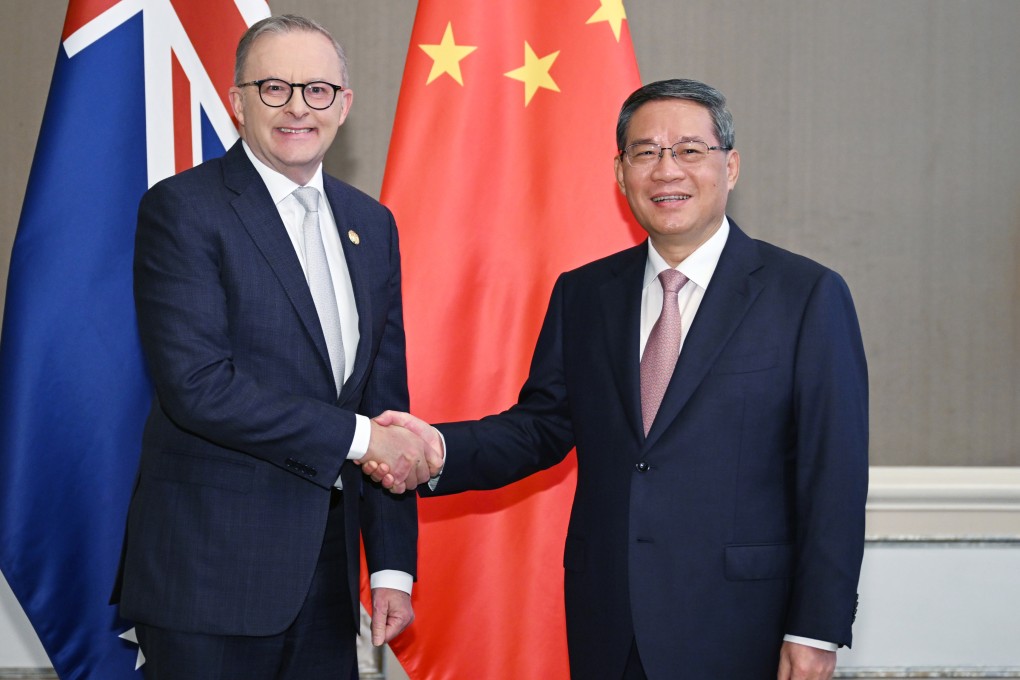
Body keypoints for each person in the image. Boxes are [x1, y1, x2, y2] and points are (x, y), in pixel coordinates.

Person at [370, 79, 869, 679]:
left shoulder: (806, 296)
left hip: (745, 625)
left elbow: (832, 477)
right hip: (610, 618)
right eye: (646, 152)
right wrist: (437, 450)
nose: (667, 170)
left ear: (730, 167)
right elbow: (540, 429)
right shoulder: (584, 294)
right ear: (619, 171)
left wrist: (816, 629)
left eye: (689, 150)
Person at [113, 14, 434, 679]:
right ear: (237, 101)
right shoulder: (183, 210)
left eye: (317, 90)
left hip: (326, 586)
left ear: (343, 105)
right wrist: (359, 438)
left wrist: (394, 566)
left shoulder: (370, 225)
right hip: (208, 581)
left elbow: (385, 403)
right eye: (273, 88)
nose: (297, 107)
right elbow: (199, 388)